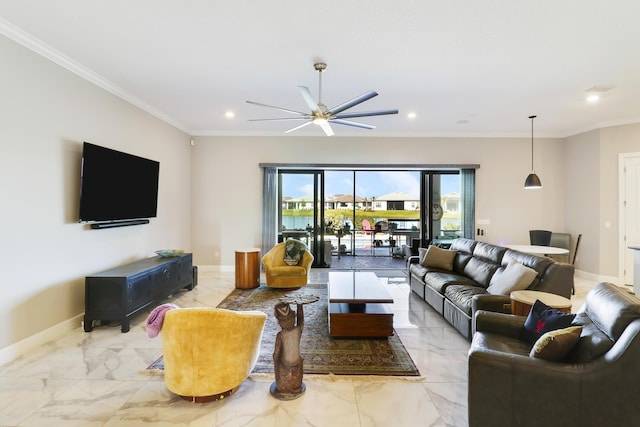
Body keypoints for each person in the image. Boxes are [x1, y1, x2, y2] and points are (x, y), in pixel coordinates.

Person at [273, 301, 304, 394]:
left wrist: (275, 362)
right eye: (285, 320)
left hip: (289, 366)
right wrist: (300, 306)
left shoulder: (282, 335)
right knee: (297, 366)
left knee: (284, 368)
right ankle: (295, 387)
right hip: (293, 365)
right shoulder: (297, 330)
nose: (288, 322)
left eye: (289, 319)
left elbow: (276, 355)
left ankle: (287, 387)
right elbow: (301, 321)